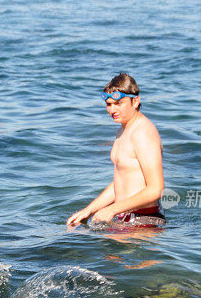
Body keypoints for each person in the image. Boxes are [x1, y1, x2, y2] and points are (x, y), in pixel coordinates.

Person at [67, 73, 165, 228]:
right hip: (125, 219)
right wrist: (88, 210)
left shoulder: (143, 132)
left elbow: (156, 189)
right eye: (109, 104)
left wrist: (111, 210)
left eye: (118, 103)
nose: (112, 109)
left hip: (144, 221)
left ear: (135, 101)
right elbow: (122, 180)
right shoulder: (123, 130)